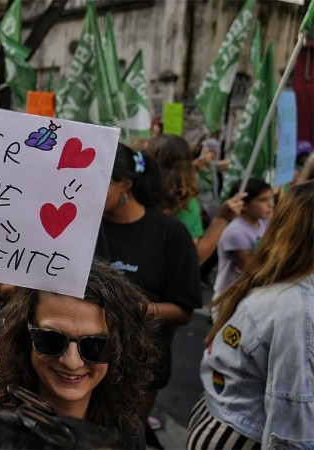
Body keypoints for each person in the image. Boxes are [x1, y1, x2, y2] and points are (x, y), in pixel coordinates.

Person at [0, 260, 161, 449]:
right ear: (25, 335)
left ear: (119, 347)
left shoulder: (126, 431)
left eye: (95, 345)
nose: (72, 361)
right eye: (50, 340)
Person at [188, 181, 314, 449]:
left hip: (226, 422)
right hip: (238, 436)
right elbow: (292, 425)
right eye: (263, 199)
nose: (269, 205)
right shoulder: (297, 309)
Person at [100, 144, 202, 442]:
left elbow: (184, 311)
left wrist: (138, 308)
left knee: (124, 437)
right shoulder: (85, 226)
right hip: (88, 356)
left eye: (100, 181)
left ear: (126, 184)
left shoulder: (170, 233)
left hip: (142, 363)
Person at [145, 134, 244, 265]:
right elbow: (193, 257)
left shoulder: (132, 194)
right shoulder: (184, 204)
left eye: (214, 151)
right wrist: (221, 219)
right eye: (209, 151)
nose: (211, 154)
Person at [212, 178, 273, 299]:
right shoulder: (236, 231)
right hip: (230, 297)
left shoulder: (264, 223)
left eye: (271, 198)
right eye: (263, 200)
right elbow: (250, 269)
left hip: (250, 294)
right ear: (243, 204)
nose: (271, 204)